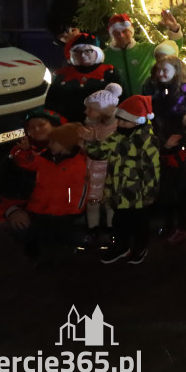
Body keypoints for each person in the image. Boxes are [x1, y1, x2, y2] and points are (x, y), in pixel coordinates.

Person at [84, 94, 161, 265]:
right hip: (117, 191)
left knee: (139, 222)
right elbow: (99, 153)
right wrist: (90, 142)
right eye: (119, 120)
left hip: (137, 193)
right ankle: (121, 246)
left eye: (124, 121)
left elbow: (152, 169)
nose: (119, 124)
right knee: (120, 222)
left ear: (137, 121)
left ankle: (140, 247)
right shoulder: (116, 137)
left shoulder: (147, 140)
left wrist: (150, 191)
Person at [0, 107, 66, 256]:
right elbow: (3, 186)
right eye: (31, 127)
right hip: (33, 209)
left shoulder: (72, 150)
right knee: (22, 229)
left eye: (42, 124)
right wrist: (12, 210)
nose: (36, 129)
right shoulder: (17, 156)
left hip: (67, 207)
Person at [144, 55, 186, 244]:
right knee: (164, 188)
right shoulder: (152, 90)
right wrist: (161, 141)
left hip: (180, 145)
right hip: (159, 142)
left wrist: (178, 138)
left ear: (176, 71)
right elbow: (152, 118)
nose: (161, 74)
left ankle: (184, 225)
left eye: (165, 70)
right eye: (159, 70)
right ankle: (167, 224)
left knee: (183, 187)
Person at [103, 11, 184, 99]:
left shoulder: (147, 49)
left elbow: (173, 48)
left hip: (149, 103)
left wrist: (174, 30)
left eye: (125, 31)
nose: (121, 35)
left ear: (131, 32)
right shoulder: (104, 56)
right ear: (112, 34)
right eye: (116, 32)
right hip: (120, 107)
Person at [81, 84, 122, 250]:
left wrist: (89, 141)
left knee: (110, 202)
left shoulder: (117, 128)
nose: (87, 113)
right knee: (93, 201)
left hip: (109, 169)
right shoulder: (91, 126)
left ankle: (111, 230)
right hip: (92, 169)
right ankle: (93, 230)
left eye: (91, 109)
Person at [45, 33, 118, 123]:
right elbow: (51, 103)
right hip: (67, 125)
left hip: (99, 125)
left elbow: (120, 102)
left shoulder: (109, 72)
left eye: (88, 51)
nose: (82, 55)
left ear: (97, 52)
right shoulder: (61, 74)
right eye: (77, 51)